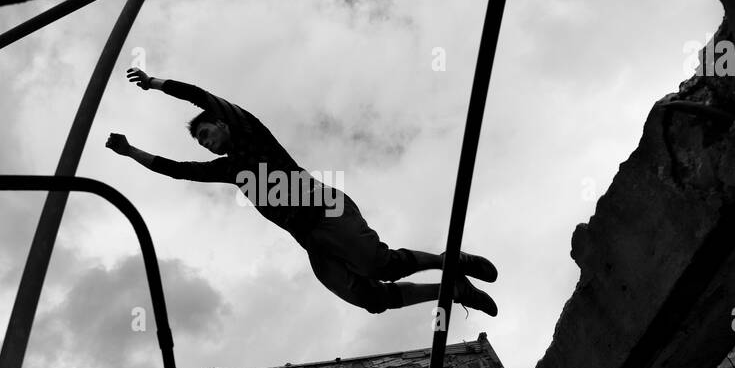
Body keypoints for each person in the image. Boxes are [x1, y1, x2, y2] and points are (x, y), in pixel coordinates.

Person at [105, 67, 498, 316]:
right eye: (201, 142)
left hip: (326, 209)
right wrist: (130, 151)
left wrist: (155, 83)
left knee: (382, 266)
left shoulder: (249, 132)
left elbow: (201, 96)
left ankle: (450, 260)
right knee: (371, 299)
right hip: (310, 238)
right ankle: (453, 290)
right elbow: (176, 171)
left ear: (223, 124)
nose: (206, 143)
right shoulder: (228, 169)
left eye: (207, 133)